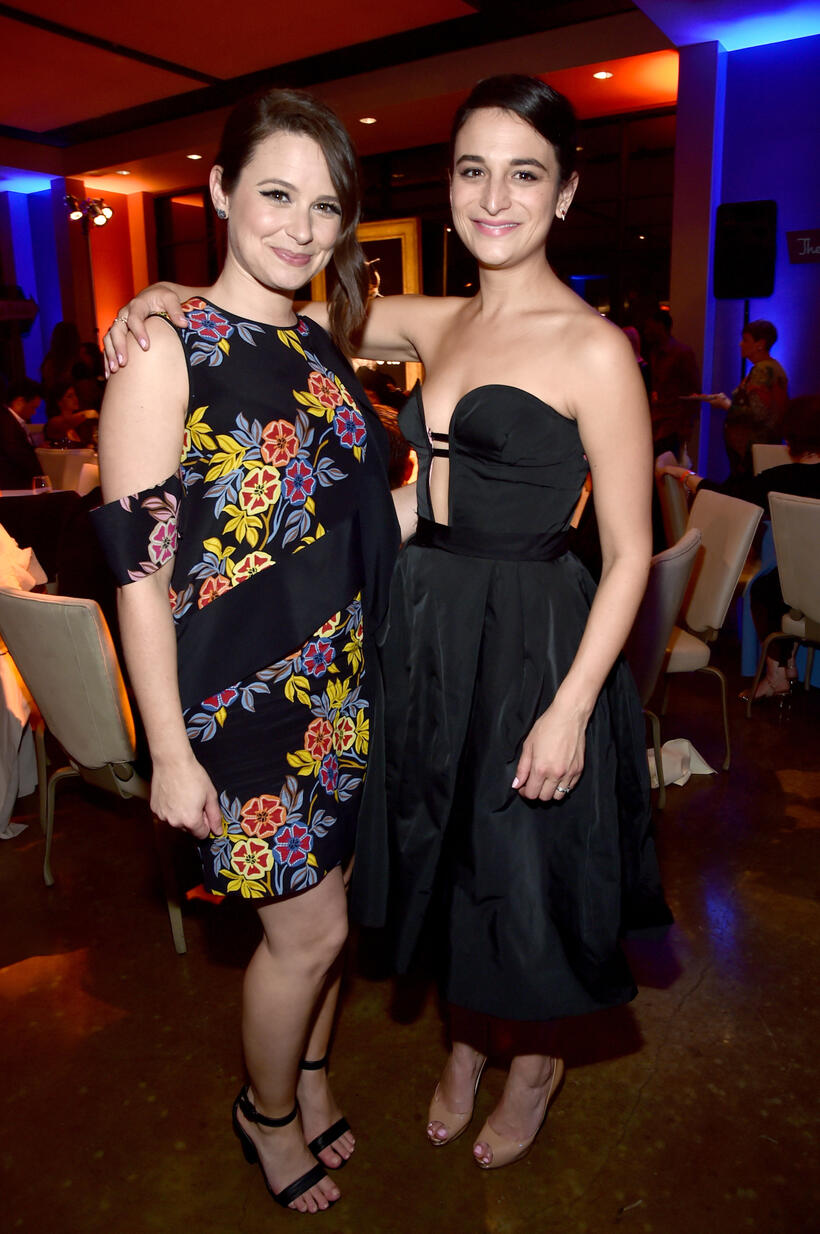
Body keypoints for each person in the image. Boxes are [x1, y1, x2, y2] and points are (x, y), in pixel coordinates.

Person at [105, 73, 669, 1173]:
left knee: (522, 860)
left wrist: (570, 707)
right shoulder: (427, 319)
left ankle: (534, 1058)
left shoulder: (596, 347)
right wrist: (162, 289)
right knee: (445, 850)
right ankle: (460, 1046)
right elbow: (273, 308)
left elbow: (634, 546)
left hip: (530, 633)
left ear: (563, 196)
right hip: (413, 631)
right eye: (471, 170)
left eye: (524, 174)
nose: (492, 197)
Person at [92, 87, 398, 1213]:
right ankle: (263, 1114)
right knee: (305, 933)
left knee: (336, 915)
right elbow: (139, 574)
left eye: (324, 206)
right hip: (237, 708)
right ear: (219, 191)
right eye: (273, 193)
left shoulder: (317, 339)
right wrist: (167, 751)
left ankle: (311, 1077)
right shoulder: (162, 354)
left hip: (342, 687)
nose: (300, 227)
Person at [657, 394, 820, 698]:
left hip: (807, 591)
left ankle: (777, 674)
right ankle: (791, 663)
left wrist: (686, 475)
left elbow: (727, 497)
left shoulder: (780, 479)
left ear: (793, 435)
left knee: (765, 589)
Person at [701, 319, 788, 476]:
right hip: (763, 448)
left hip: (752, 451)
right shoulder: (775, 367)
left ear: (760, 344)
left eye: (746, 340)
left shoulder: (762, 370)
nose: (740, 344)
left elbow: (758, 412)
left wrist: (726, 405)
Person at [642, 308, 701, 459]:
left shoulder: (681, 353)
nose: (646, 331)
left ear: (660, 326)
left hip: (673, 423)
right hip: (657, 421)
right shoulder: (654, 352)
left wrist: (686, 424)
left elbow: (693, 391)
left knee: (666, 467)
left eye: (649, 326)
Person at [0, 379, 43, 489]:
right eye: (33, 407)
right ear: (19, 401)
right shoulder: (6, 423)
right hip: (13, 488)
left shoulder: (10, 421)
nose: (34, 412)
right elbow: (18, 456)